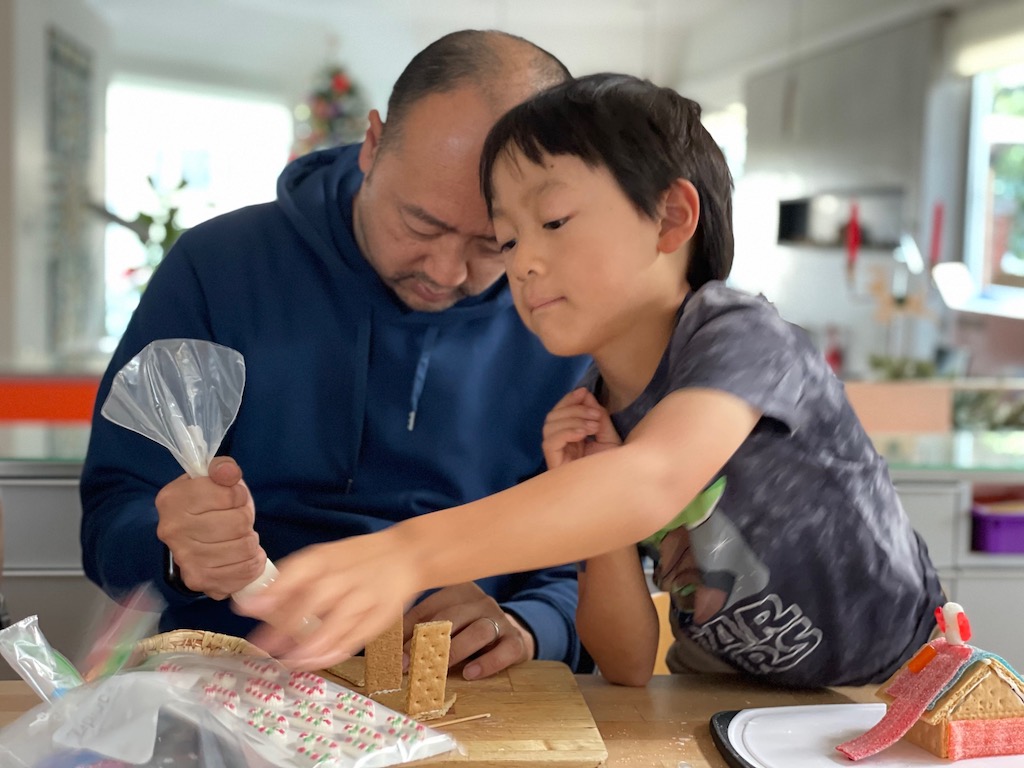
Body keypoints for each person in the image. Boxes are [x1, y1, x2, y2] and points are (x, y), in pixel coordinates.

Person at [235, 73, 946, 689]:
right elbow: (630, 662)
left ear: (671, 217)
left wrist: (405, 552)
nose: (524, 263)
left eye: (553, 220)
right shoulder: (593, 406)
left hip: (890, 682)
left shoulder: (741, 336)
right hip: (732, 695)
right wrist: (599, 519)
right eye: (507, 239)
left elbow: (653, 479)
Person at [79, 30, 593, 681]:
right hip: (231, 684)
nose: (445, 271)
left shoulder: (566, 315)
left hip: (467, 697)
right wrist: (174, 550)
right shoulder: (217, 268)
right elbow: (108, 527)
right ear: (373, 145)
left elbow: (593, 558)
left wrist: (529, 624)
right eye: (421, 224)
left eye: (495, 244)